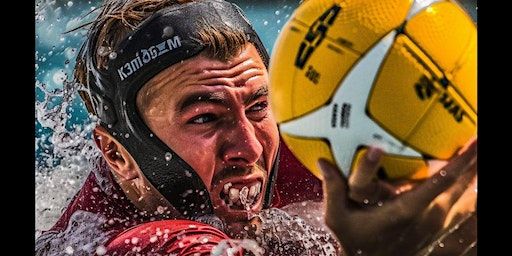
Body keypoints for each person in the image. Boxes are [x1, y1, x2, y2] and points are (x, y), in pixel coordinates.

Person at [35, 0, 477, 255]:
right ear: (117, 155)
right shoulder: (126, 243)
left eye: (258, 105)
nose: (248, 145)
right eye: (205, 118)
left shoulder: (301, 137)